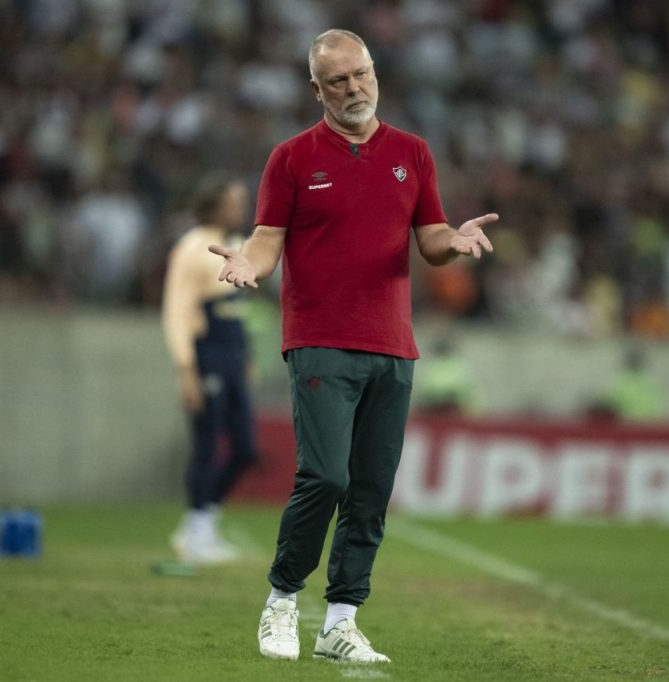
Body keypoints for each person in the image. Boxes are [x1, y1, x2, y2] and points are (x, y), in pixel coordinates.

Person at [209, 29, 496, 664]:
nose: (354, 87)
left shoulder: (413, 154)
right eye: (338, 80)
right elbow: (266, 238)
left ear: (374, 72)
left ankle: (341, 621)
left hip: (393, 345)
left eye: (361, 73)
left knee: (370, 487)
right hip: (318, 340)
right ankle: (282, 600)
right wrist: (248, 263)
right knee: (326, 475)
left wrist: (458, 239)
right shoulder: (290, 158)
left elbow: (431, 239)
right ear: (317, 89)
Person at [161, 174, 257, 564]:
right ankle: (196, 529)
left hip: (232, 352)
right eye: (234, 200)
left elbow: (238, 308)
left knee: (246, 448)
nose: (241, 208)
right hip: (207, 351)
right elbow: (178, 309)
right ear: (213, 203)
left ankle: (203, 522)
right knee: (206, 442)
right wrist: (186, 369)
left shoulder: (239, 245)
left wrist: (245, 356)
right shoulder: (191, 247)